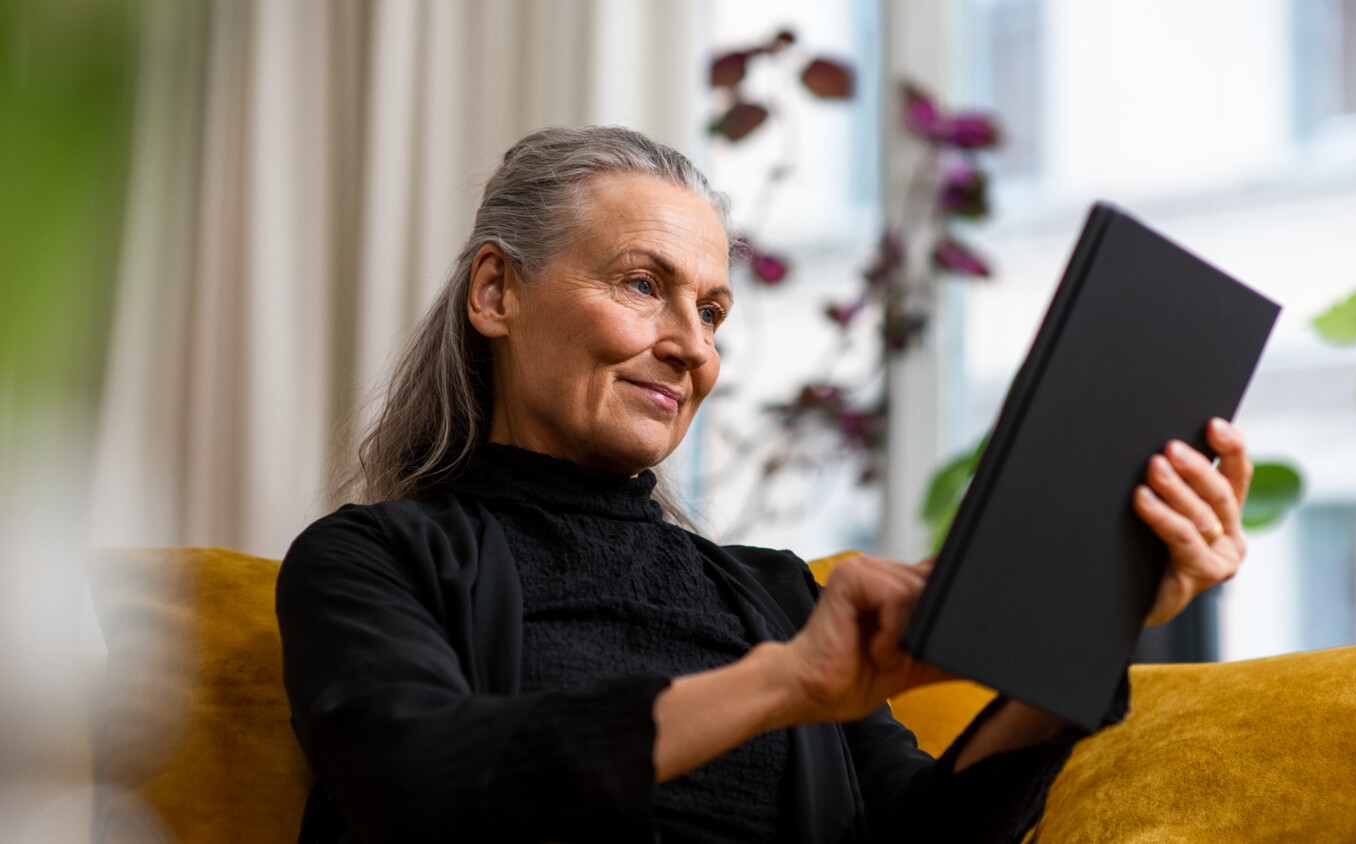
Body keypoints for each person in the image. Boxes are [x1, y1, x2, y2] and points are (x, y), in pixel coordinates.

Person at [276, 125, 1252, 843]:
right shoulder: (372, 561)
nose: (692, 347)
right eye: (641, 284)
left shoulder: (777, 594)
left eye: (712, 310)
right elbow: (419, 782)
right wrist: (782, 682)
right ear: (497, 292)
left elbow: (920, 836)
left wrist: (1107, 611)